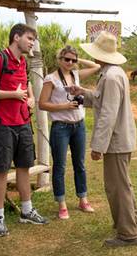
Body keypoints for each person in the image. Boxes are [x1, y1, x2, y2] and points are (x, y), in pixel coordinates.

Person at [70, 31, 137, 248]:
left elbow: (108, 114)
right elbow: (103, 101)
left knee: (117, 187)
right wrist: (83, 93)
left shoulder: (110, 76)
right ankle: (131, 223)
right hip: (121, 138)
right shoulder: (113, 73)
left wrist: (97, 146)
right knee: (122, 185)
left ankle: (128, 233)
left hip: (116, 140)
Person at [0, 23, 49, 237]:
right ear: (16, 37)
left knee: (24, 167)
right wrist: (13, 95)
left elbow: (25, 86)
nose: (32, 42)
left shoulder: (22, 63)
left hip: (22, 122)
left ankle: (26, 211)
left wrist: (29, 98)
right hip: (2, 124)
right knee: (1, 170)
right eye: (29, 38)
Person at [38, 45, 101, 219]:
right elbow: (42, 104)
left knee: (80, 164)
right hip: (61, 126)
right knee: (60, 166)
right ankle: (62, 204)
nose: (70, 63)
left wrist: (77, 60)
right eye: (67, 59)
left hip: (78, 125)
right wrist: (64, 106)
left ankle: (83, 199)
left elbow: (96, 67)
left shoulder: (75, 74)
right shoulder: (51, 78)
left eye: (73, 60)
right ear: (59, 59)